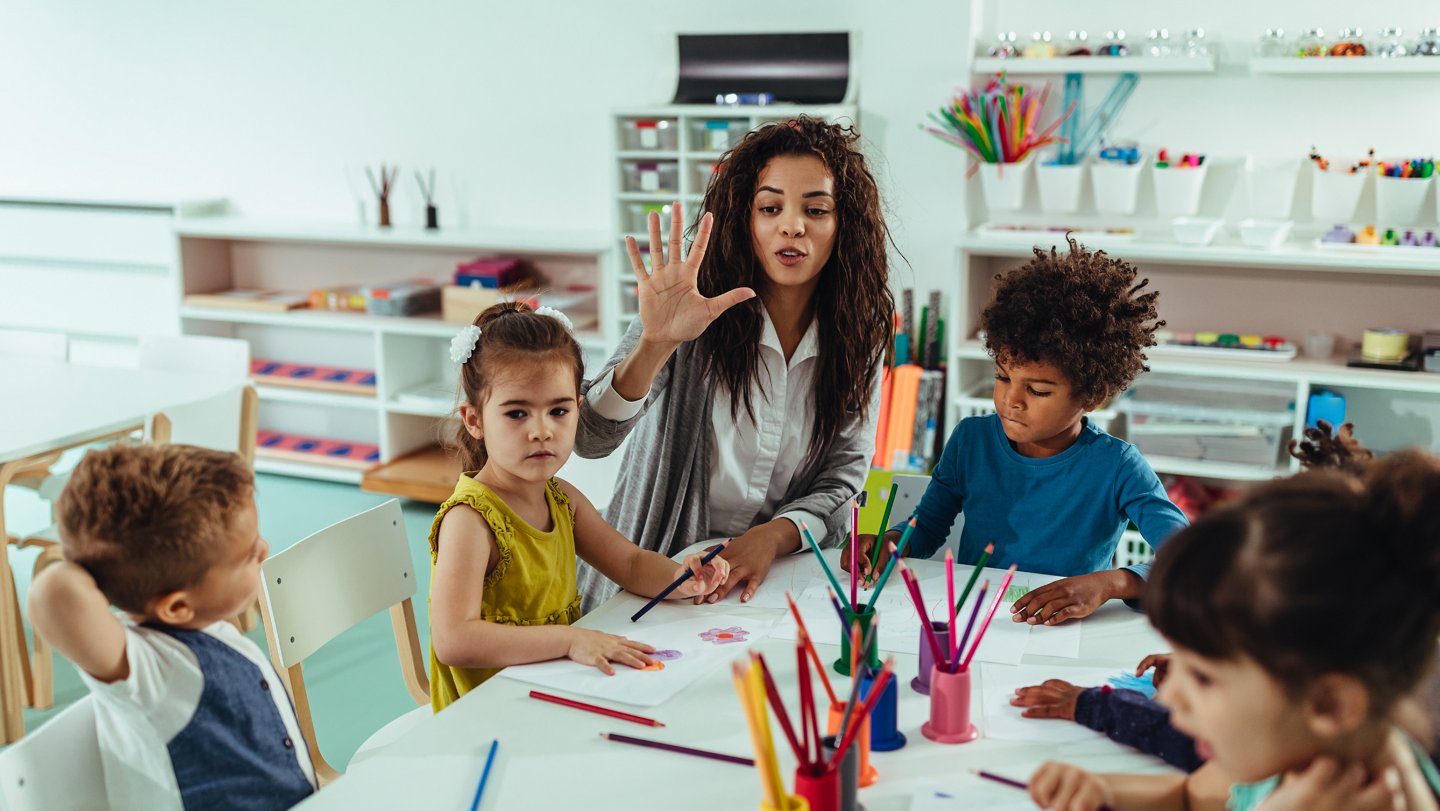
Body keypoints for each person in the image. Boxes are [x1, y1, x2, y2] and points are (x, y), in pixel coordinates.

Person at [575, 116, 896, 610]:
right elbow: (589, 438)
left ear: (843, 224)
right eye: (770, 208)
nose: (792, 225)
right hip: (654, 575)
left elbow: (845, 474)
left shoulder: (861, 327)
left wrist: (772, 537)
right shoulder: (694, 294)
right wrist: (655, 343)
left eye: (816, 209)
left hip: (773, 581)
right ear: (745, 219)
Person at [1026, 452, 1440, 811]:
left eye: (1204, 677)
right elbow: (1190, 797)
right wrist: (1102, 787)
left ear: (1330, 704)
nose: (1169, 694)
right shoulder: (1297, 749)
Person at [845, 237, 1188, 624]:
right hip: (978, 623)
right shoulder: (970, 442)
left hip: (1067, 634)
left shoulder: (1119, 466)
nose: (1011, 400)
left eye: (1038, 390)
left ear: (1092, 395)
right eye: (1002, 377)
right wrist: (890, 542)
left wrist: (1111, 583)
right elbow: (926, 529)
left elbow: (1190, 559)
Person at [428, 302, 730, 712]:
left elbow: (631, 563)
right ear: (474, 420)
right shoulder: (470, 520)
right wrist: (571, 640)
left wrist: (682, 578)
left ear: (578, 409)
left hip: (553, 689)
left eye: (559, 410)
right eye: (517, 413)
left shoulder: (561, 498)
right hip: (488, 712)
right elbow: (454, 641)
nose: (541, 431)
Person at [27, 444, 315, 811]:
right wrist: (96, 562)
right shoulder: (154, 671)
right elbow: (51, 594)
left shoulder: (210, 625)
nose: (264, 548)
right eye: (247, 556)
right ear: (177, 606)